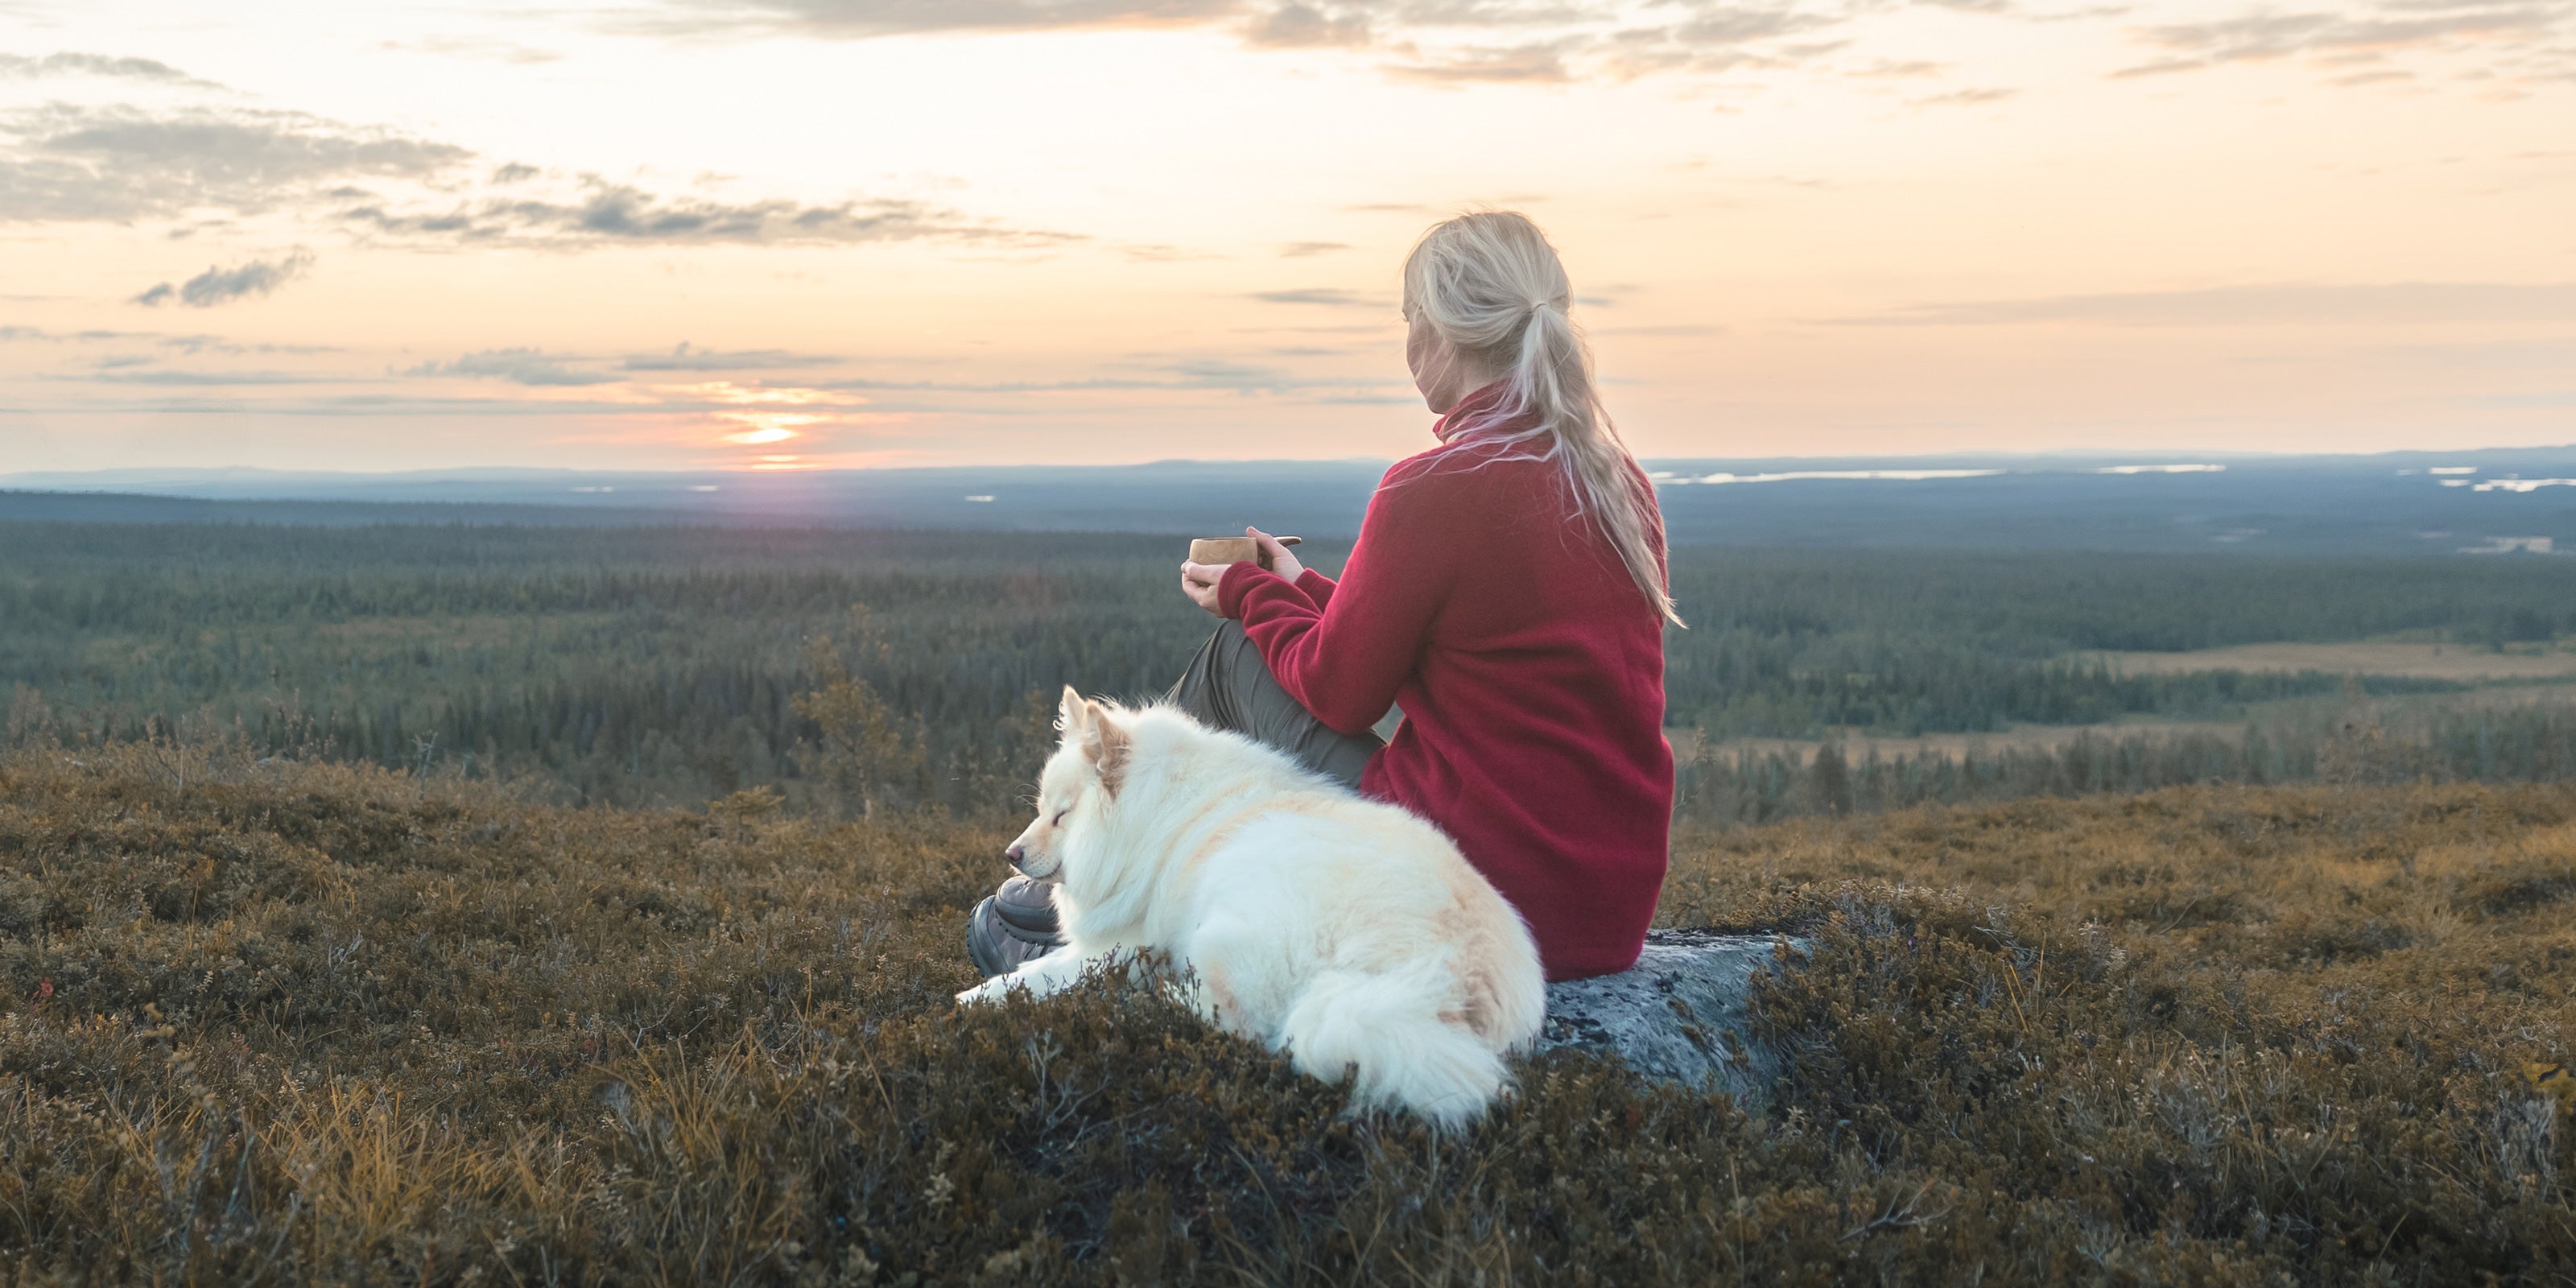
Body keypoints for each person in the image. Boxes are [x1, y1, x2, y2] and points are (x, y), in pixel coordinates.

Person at [968, 210, 1676, 983]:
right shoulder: (1614, 484)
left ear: (1439, 332)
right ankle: (1101, 865)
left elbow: (1342, 694)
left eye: (1410, 318)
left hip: (1476, 896)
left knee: (1235, 658)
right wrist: (1299, 589)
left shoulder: (1434, 489)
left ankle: (1098, 874)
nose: (1405, 342)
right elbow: (1455, 644)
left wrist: (1245, 595)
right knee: (1257, 639)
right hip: (1602, 915)